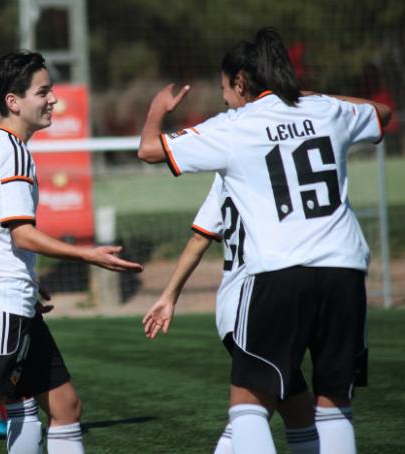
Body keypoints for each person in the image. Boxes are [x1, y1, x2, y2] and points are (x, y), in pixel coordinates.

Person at [138, 27, 391, 454]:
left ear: (241, 82)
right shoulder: (327, 111)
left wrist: (155, 111)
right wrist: (311, 97)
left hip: (279, 270)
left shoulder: (235, 126)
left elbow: (148, 150)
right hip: (344, 268)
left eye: (225, 89)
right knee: (333, 405)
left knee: (249, 405)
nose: (224, 99)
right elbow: (382, 112)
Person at [0, 50, 143, 454]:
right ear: (12, 102)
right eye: (43, 92)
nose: (53, 100)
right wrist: (89, 255)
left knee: (65, 406)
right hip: (1, 303)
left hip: (13, 299)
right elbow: (21, 235)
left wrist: (27, 283)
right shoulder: (11, 149)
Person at [143, 174, 318, 453]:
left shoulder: (225, 172)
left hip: (232, 311)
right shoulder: (273, 163)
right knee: (252, 411)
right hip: (258, 305)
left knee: (298, 411)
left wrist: (169, 295)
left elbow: (199, 238)